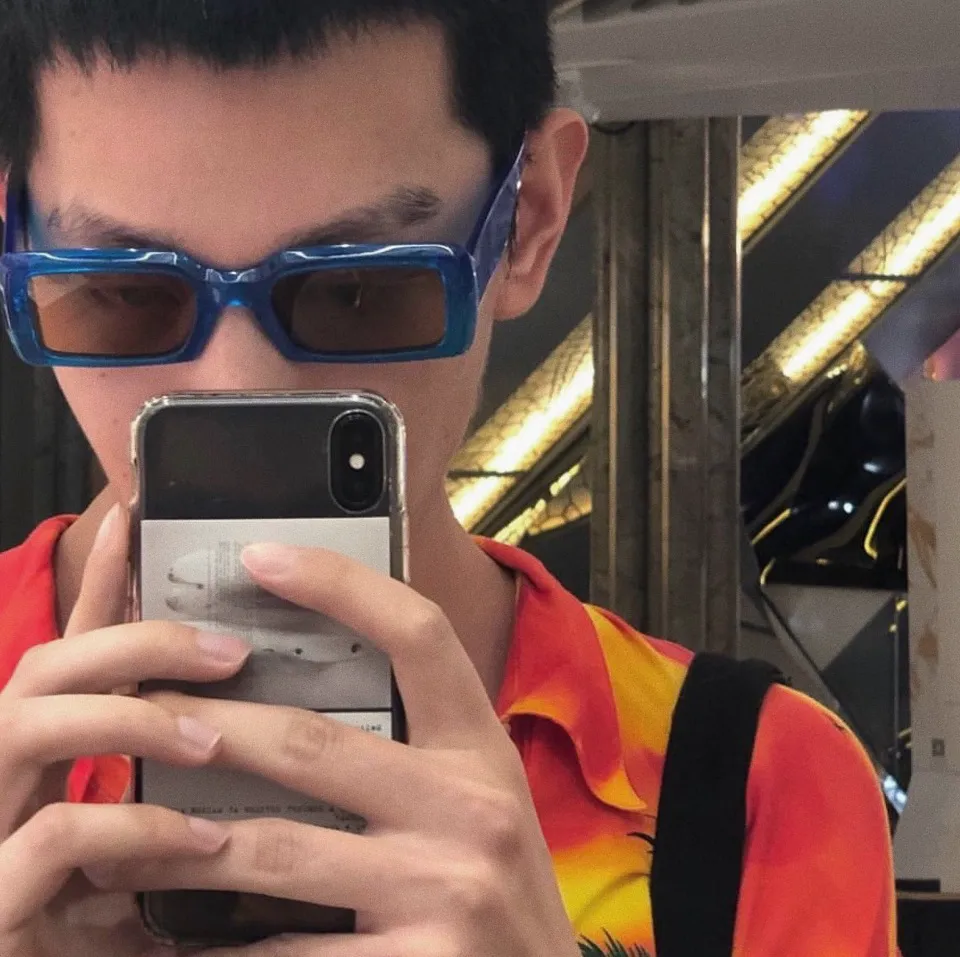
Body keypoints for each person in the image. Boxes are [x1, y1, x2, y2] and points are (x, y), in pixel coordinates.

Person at [0, 2, 897, 955]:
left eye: (358, 289)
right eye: (127, 293)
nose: (238, 390)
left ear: (529, 219)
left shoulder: (757, 786)